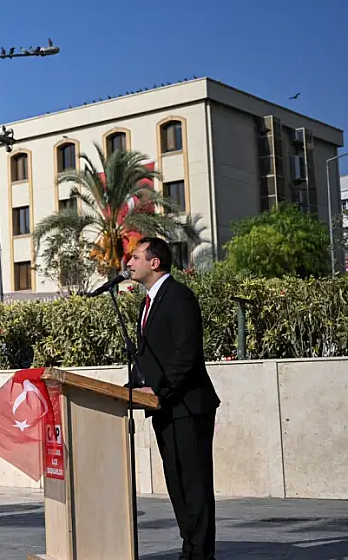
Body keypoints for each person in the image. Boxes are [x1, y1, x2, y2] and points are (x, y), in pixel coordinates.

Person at [127, 237, 220, 560]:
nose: (129, 262)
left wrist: (161, 388)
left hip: (187, 405)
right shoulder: (147, 302)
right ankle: (190, 548)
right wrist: (134, 386)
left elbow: (186, 353)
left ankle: (201, 553)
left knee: (193, 484)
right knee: (177, 483)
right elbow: (150, 355)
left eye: (136, 256)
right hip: (164, 406)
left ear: (155, 262)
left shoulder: (179, 297)